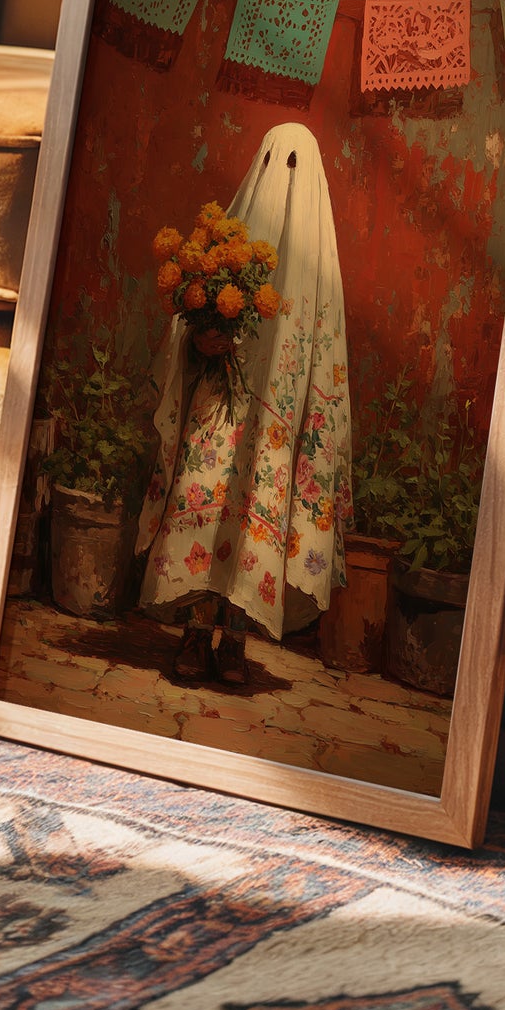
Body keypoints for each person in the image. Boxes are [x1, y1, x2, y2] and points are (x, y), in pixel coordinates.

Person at [136, 122, 352, 683]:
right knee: (202, 501)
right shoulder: (228, 250)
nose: (285, 180)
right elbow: (186, 329)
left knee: (258, 508)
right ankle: (192, 632)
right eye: (277, 161)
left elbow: (321, 357)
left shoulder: (318, 274)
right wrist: (201, 336)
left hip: (273, 420)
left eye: (297, 167)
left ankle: (233, 638)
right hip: (217, 405)